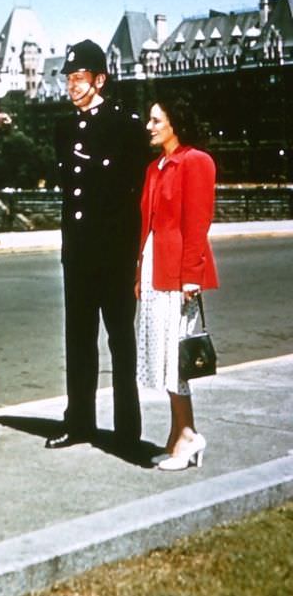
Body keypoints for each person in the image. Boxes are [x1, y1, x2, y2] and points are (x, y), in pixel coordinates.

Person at [47, 39, 149, 451]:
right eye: (68, 78)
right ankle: (80, 423)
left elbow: (135, 193)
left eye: (79, 78)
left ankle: (127, 429)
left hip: (114, 252)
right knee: (79, 340)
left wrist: (133, 255)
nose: (71, 85)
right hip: (79, 252)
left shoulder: (125, 126)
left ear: (100, 80)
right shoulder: (63, 128)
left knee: (121, 341)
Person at [135, 95, 219, 471]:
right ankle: (179, 434)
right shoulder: (156, 167)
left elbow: (197, 225)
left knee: (175, 360)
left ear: (175, 123)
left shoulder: (196, 161)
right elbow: (147, 225)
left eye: (156, 120)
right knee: (164, 359)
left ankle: (187, 436)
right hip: (155, 270)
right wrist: (139, 273)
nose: (149, 127)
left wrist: (191, 278)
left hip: (177, 273)